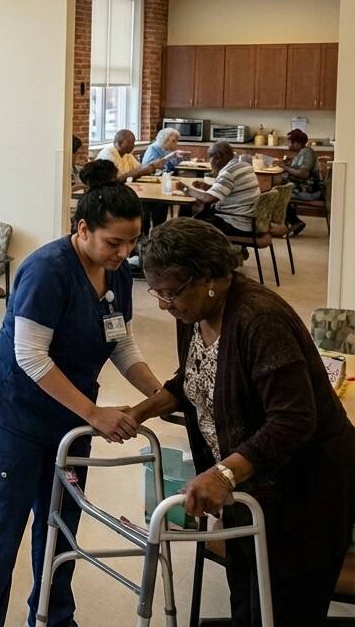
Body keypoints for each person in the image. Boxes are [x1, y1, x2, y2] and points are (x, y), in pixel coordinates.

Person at [0, 161, 163, 627]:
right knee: (1, 528)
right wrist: (95, 413)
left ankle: (52, 616)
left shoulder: (116, 276)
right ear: (83, 228)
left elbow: (120, 342)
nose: (124, 252)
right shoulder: (47, 270)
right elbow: (30, 358)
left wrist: (162, 394)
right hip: (14, 414)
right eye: (115, 242)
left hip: (68, 419)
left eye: (132, 242)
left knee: (61, 523)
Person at [128, 218, 355, 626]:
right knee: (247, 605)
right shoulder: (195, 314)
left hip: (305, 495)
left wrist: (223, 475)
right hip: (249, 493)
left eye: (170, 292)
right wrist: (143, 409)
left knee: (284, 608)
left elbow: (293, 419)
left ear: (211, 277)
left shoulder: (259, 320)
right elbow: (194, 376)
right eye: (155, 292)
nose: (163, 304)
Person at [175, 140, 259, 237]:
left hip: (235, 222)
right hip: (247, 219)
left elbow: (209, 199)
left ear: (218, 156)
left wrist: (185, 189)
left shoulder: (229, 172)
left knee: (184, 226)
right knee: (189, 210)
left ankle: (195, 249)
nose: (210, 162)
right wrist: (208, 187)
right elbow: (230, 190)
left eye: (209, 158)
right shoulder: (244, 166)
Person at [139, 128, 191, 232]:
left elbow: (173, 165)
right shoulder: (153, 148)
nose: (176, 143)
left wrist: (182, 157)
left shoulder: (168, 150)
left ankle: (177, 229)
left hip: (165, 181)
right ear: (165, 140)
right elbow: (148, 168)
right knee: (161, 204)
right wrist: (170, 157)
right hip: (152, 183)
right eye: (174, 140)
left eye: (176, 140)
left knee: (186, 198)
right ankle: (158, 230)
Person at [274, 128, 322, 234]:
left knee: (277, 194)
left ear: (297, 142)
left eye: (290, 142)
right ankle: (288, 222)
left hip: (309, 191)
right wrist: (288, 164)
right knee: (277, 189)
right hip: (304, 188)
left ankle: (295, 222)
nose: (288, 144)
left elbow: (304, 174)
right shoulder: (303, 152)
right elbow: (298, 168)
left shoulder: (307, 153)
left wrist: (285, 168)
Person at [97, 129, 168, 182]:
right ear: (119, 143)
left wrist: (152, 166)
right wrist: (151, 166)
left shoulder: (127, 154)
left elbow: (139, 168)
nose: (133, 146)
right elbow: (115, 180)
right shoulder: (107, 155)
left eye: (133, 142)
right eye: (130, 143)